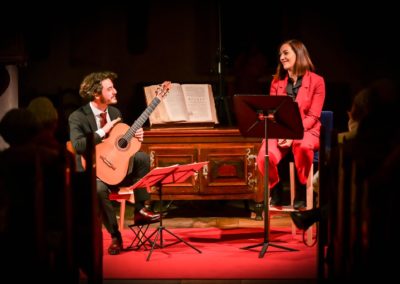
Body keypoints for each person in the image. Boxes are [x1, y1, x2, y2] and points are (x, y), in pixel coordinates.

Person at [68, 71, 162, 255]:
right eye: (109, 88)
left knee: (142, 157)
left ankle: (140, 209)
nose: (115, 91)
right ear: (96, 94)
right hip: (93, 173)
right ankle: (115, 236)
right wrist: (102, 131)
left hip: (116, 170)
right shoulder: (77, 117)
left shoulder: (115, 112)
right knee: (98, 189)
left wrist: (136, 137)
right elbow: (78, 146)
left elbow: (119, 144)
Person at [256, 39, 325, 209]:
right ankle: (275, 186)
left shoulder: (317, 81)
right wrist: (280, 131)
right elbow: (273, 112)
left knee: (301, 146)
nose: (281, 57)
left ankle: (302, 189)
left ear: (299, 54)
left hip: (307, 130)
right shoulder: (277, 82)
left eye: (286, 53)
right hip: (281, 129)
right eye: (280, 54)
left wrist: (293, 135)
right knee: (264, 155)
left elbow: (313, 116)